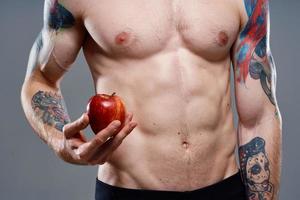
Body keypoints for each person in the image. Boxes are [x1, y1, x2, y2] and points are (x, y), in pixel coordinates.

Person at [21, 0, 282, 199]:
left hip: (225, 189)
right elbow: (40, 79)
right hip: (128, 191)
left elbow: (259, 115)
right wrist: (61, 142)